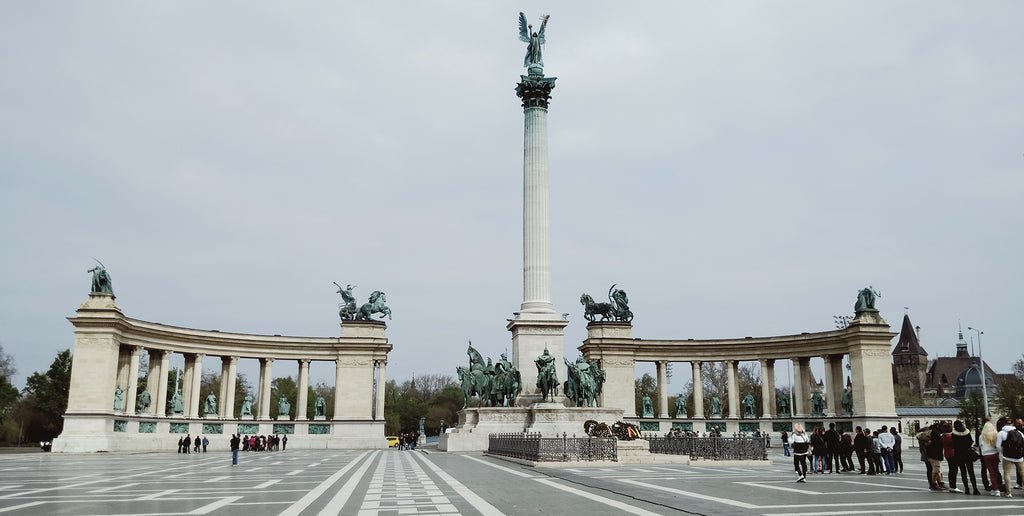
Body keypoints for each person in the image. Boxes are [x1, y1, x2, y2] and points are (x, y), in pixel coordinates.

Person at [997, 416, 1024, 498]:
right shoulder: (1019, 433)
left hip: (1007, 457)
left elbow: (998, 446)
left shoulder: (1001, 433)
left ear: (1004, 424)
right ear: (1012, 424)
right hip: (1019, 457)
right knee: (1022, 473)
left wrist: (1002, 453)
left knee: (1007, 473)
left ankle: (1008, 492)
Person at [950, 420, 979, 494]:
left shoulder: (954, 434)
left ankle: (967, 488)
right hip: (968, 453)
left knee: (963, 472)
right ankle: (975, 488)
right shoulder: (967, 432)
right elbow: (970, 442)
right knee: (971, 472)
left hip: (959, 454)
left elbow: (953, 444)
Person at [980, 419, 1003, 496]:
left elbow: (981, 445)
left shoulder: (981, 436)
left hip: (986, 455)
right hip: (995, 454)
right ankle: (996, 488)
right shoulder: (996, 434)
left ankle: (995, 488)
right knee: (996, 471)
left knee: (991, 472)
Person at [927, 423, 947, 491]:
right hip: (935, 455)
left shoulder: (932, 432)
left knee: (937, 470)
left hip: (931, 454)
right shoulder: (936, 433)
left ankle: (940, 483)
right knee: (936, 470)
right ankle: (934, 484)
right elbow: (938, 445)